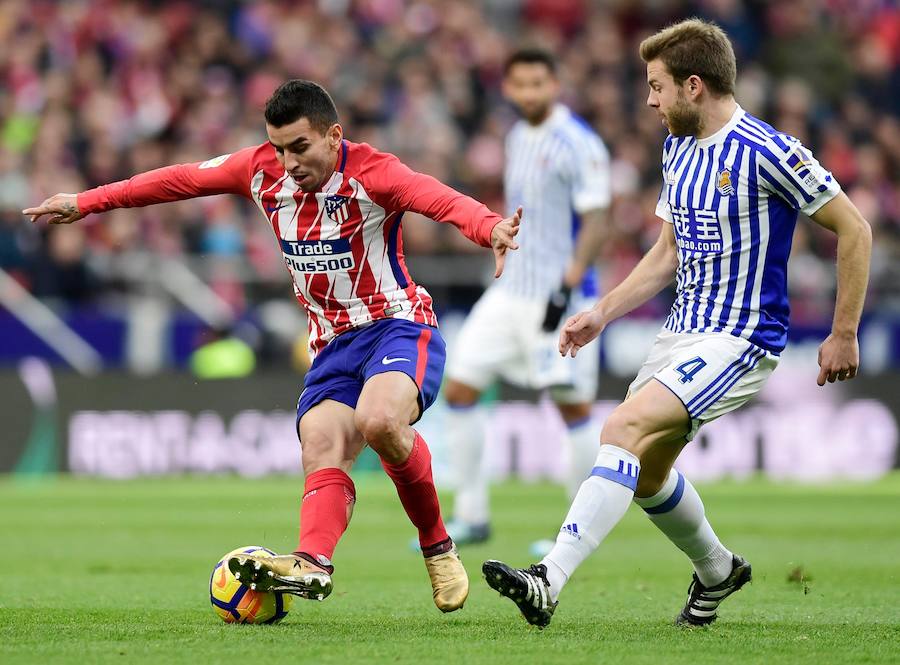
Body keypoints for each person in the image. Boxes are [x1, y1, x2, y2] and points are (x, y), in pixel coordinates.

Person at [24, 79, 522, 613]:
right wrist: (86, 202)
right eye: (279, 148)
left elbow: (439, 199)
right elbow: (179, 180)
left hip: (398, 326)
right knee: (321, 443)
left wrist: (488, 226)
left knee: (379, 422)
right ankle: (311, 562)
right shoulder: (257, 168)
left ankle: (438, 546)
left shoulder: (375, 173)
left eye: (300, 148)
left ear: (333, 136)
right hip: (331, 346)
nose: (287, 162)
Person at [482, 18, 871, 628]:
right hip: (680, 332)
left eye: (657, 86)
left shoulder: (769, 150)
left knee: (623, 427)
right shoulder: (678, 147)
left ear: (694, 86)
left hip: (740, 337)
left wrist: (843, 330)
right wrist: (603, 313)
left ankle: (548, 580)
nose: (650, 100)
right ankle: (719, 570)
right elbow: (668, 251)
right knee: (647, 473)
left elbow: (855, 228)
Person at [442, 48, 610, 550]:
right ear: (509, 88)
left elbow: (598, 219)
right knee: (460, 388)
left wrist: (570, 280)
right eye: (521, 84)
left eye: (539, 82)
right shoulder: (517, 135)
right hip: (510, 292)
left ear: (555, 83)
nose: (530, 92)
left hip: (558, 295)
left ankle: (574, 533)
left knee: (572, 407)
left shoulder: (579, 143)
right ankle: (471, 515)